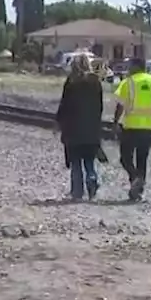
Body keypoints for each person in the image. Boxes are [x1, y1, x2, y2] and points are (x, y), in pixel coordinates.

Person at [112, 58, 151, 202]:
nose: (128, 68)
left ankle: (135, 178)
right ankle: (139, 190)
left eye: (130, 66)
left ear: (136, 67)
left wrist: (115, 122)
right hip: (147, 128)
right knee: (142, 160)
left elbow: (120, 106)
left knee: (125, 158)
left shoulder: (128, 82)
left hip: (130, 127)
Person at [55, 55, 107, 200]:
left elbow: (64, 104)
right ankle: (92, 180)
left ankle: (77, 192)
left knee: (76, 161)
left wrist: (59, 122)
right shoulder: (95, 81)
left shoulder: (71, 81)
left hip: (72, 129)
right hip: (91, 127)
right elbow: (99, 105)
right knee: (89, 159)